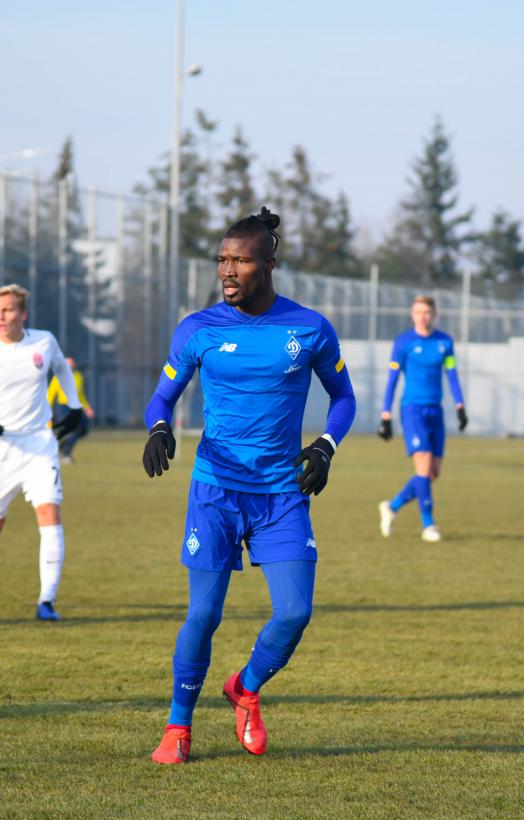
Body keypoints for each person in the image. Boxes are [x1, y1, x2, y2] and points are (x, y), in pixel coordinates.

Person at [143, 208, 356, 764]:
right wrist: (160, 427)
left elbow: (343, 397)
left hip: (282, 494)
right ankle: (178, 727)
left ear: (269, 264)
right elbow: (163, 396)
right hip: (215, 491)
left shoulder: (309, 328)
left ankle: (245, 687)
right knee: (203, 617)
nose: (227, 271)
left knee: (294, 613)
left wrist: (325, 447)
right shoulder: (199, 329)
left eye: (239, 260)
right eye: (222, 260)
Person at [0, 284, 85, 621]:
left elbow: (62, 368)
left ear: (23, 314)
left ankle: (46, 601)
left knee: (49, 513)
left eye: (8, 310)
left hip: (39, 445)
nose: (1, 316)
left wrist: (74, 406)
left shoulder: (44, 342)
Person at [376, 296, 467, 543]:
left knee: (432, 473)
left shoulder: (444, 342)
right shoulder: (403, 342)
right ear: (412, 314)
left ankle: (391, 506)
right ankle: (428, 526)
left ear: (434, 314)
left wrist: (460, 405)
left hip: (435, 411)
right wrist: (386, 413)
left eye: (427, 312)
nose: (422, 317)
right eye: (418, 312)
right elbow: (393, 379)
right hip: (412, 410)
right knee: (424, 468)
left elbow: (452, 374)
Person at [47, 357, 94, 464]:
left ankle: (63, 445)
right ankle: (66, 453)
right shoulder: (59, 377)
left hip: (76, 406)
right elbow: (50, 395)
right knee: (76, 429)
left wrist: (87, 408)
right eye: (68, 365)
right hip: (64, 406)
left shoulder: (78, 376)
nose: (70, 367)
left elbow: (80, 395)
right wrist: (48, 412)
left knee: (84, 429)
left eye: (72, 365)